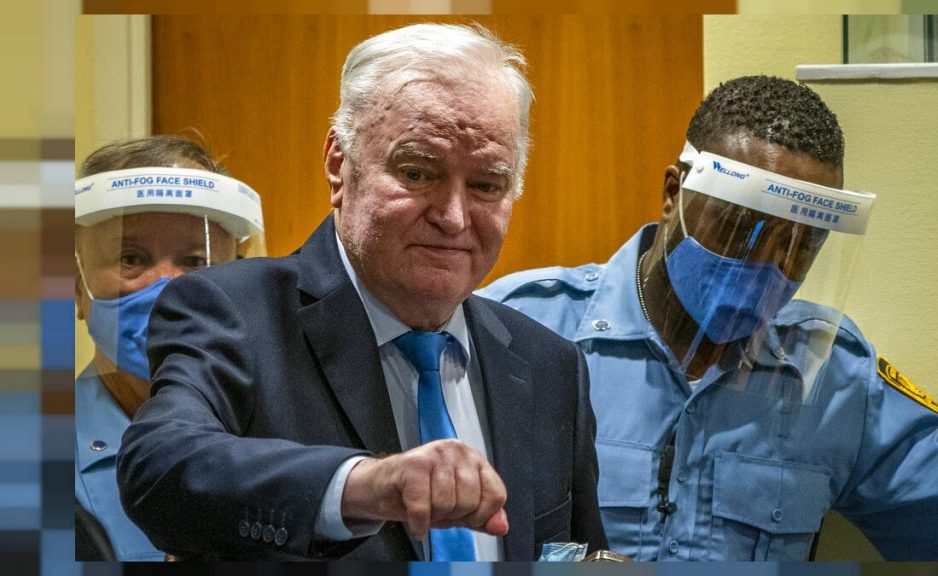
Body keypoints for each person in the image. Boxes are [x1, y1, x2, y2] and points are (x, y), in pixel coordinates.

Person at [117, 23, 606, 561]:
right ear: (339, 164)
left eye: (486, 185)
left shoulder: (549, 365)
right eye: (417, 173)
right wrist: (364, 485)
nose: (453, 217)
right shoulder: (232, 312)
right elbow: (159, 469)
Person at [481, 75, 938, 561]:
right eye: (739, 229)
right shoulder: (520, 330)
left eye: (799, 245)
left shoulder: (834, 377)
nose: (767, 264)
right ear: (673, 193)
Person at [74, 135, 266, 560]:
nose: (166, 290)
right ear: (77, 290)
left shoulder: (289, 436)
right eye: (130, 258)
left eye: (196, 261)